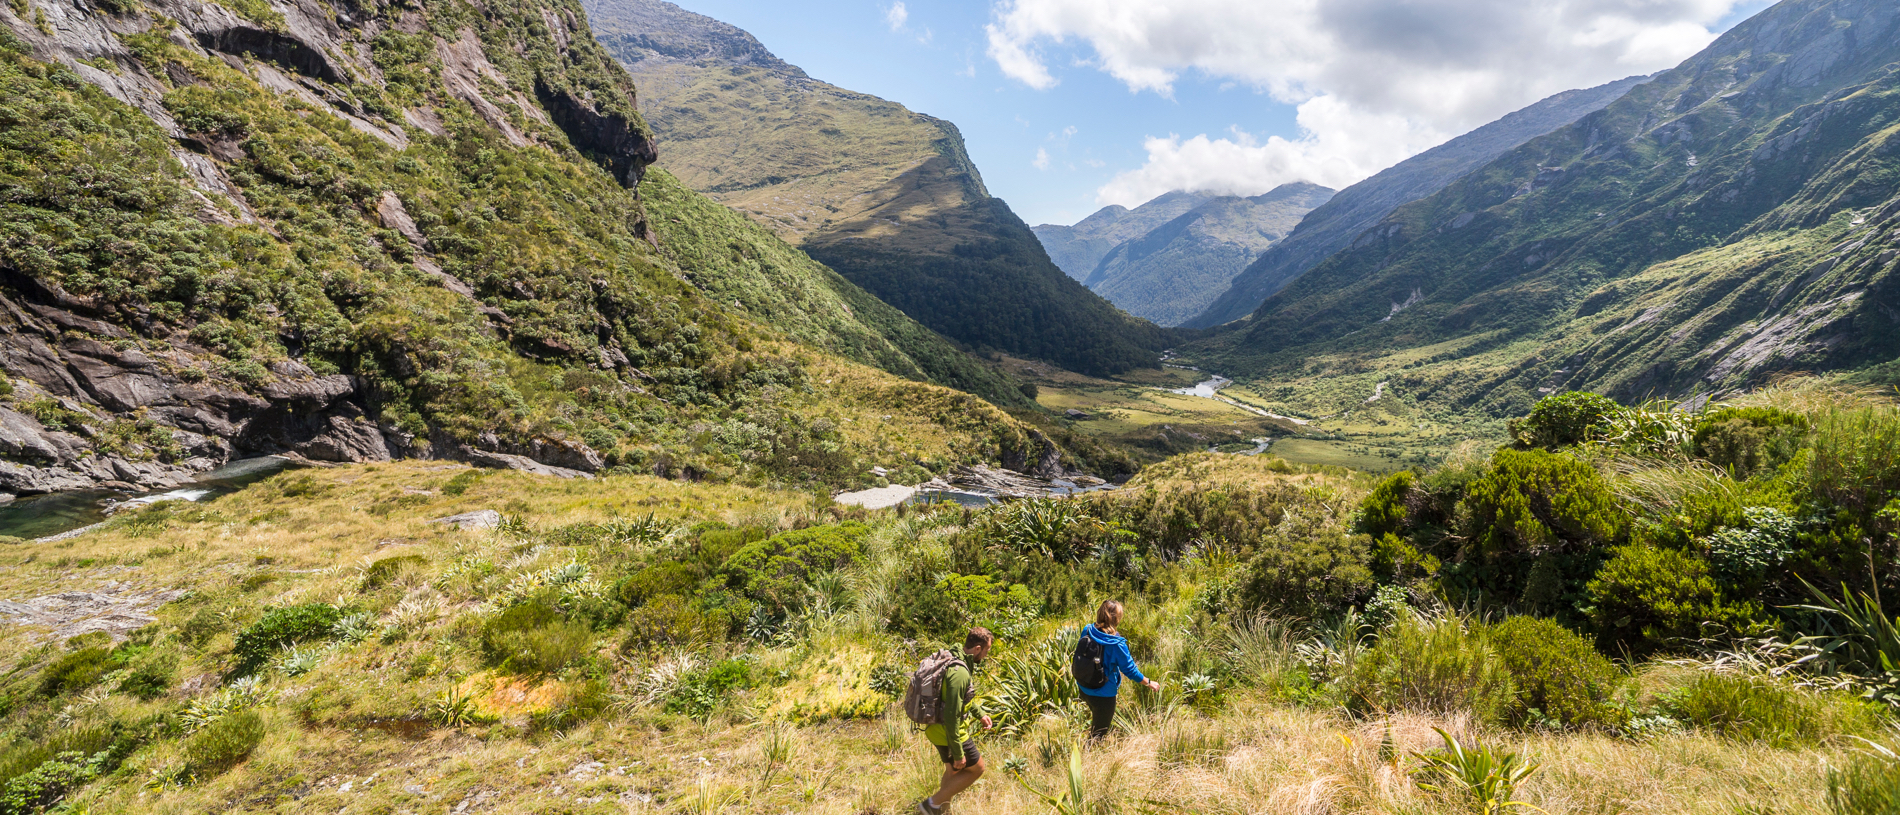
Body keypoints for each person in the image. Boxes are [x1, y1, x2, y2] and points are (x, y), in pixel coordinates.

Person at [921, 628, 994, 815]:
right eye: (986, 651)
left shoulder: (952, 656)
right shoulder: (960, 673)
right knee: (977, 768)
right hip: (948, 732)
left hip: (935, 727)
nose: (985, 656)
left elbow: (960, 700)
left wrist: (979, 714)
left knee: (952, 771)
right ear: (977, 649)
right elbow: (952, 715)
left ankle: (942, 809)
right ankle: (930, 805)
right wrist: (958, 751)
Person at [1078, 600, 1159, 742]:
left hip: (1083, 686)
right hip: (1103, 695)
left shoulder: (1088, 629)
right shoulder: (1116, 643)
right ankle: (1090, 757)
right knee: (1098, 734)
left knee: (1095, 718)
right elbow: (1130, 670)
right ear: (1116, 618)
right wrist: (1149, 682)